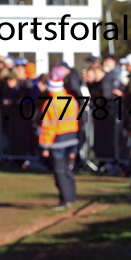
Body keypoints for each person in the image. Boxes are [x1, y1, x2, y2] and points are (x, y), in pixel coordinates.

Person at [39, 68, 79, 210]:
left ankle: (65, 200)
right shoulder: (71, 100)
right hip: (72, 138)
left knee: (60, 171)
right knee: (68, 170)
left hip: (58, 141)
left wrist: (44, 146)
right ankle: (71, 197)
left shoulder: (50, 104)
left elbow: (48, 127)